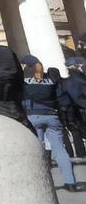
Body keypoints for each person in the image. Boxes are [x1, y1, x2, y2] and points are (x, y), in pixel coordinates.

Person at [23, 58, 82, 191]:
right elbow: (61, 98)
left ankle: (40, 184)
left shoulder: (24, 81)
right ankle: (70, 182)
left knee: (37, 149)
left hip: (33, 116)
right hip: (52, 116)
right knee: (60, 150)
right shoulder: (51, 81)